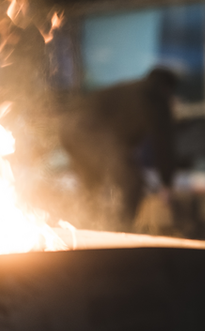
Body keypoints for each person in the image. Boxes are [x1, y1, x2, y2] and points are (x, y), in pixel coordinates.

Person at [59, 68, 177, 232]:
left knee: (92, 185)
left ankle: (90, 230)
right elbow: (163, 142)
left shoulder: (133, 90)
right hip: (87, 131)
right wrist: (167, 184)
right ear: (168, 88)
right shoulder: (154, 95)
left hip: (69, 129)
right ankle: (121, 232)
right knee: (131, 180)